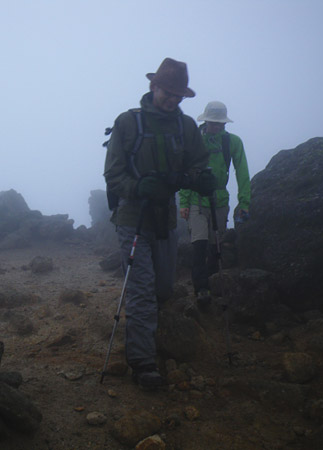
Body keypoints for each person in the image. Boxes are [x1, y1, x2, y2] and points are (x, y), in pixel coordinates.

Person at [104, 58, 214, 389]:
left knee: (163, 287)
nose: (173, 100)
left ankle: (156, 338)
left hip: (165, 217)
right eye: (168, 93)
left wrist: (198, 180)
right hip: (133, 218)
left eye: (179, 96)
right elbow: (112, 173)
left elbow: (198, 163)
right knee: (140, 290)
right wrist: (136, 187)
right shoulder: (127, 123)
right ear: (154, 87)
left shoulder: (186, 127)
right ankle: (143, 363)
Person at [179, 101, 250, 305]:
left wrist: (244, 202)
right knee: (199, 245)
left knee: (214, 247)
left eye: (220, 124)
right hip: (196, 200)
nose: (217, 127)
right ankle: (201, 290)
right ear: (206, 120)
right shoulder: (194, 142)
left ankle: (211, 284)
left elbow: (242, 172)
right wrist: (184, 202)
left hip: (220, 201)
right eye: (213, 123)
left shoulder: (232, 142)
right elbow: (186, 172)